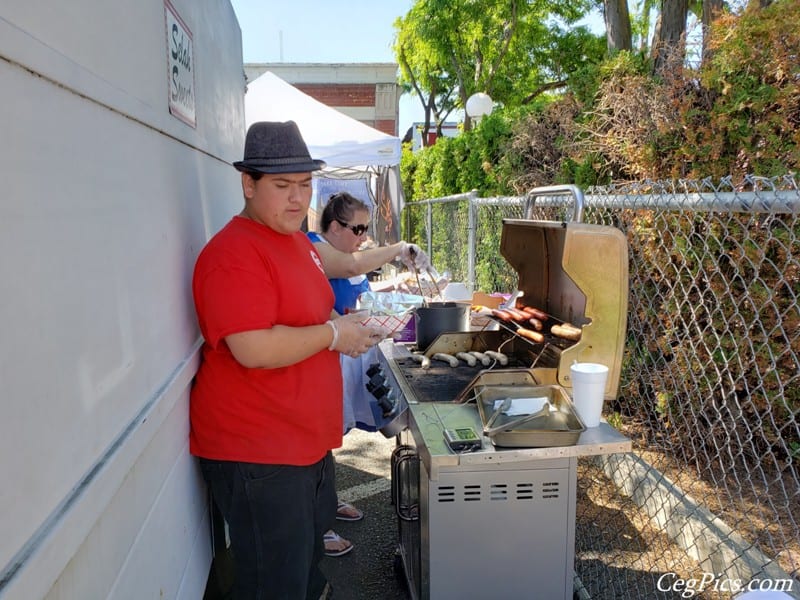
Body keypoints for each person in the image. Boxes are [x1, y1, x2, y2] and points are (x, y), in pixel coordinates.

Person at [190, 120, 385, 600]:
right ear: (248, 184)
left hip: (300, 443)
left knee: (303, 565)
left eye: (305, 184)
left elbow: (338, 280)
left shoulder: (296, 240)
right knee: (273, 580)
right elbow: (252, 347)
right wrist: (333, 335)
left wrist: (345, 327)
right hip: (259, 451)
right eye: (282, 186)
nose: (298, 199)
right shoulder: (233, 253)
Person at [307, 191, 430, 557]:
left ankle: (327, 507)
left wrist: (392, 288)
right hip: (325, 356)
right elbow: (350, 268)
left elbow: (357, 289)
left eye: (366, 228)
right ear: (333, 226)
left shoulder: (342, 254)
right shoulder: (314, 247)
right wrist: (397, 249)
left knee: (328, 442)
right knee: (317, 443)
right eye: (357, 228)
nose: (363, 236)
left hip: (345, 353)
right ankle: (320, 527)